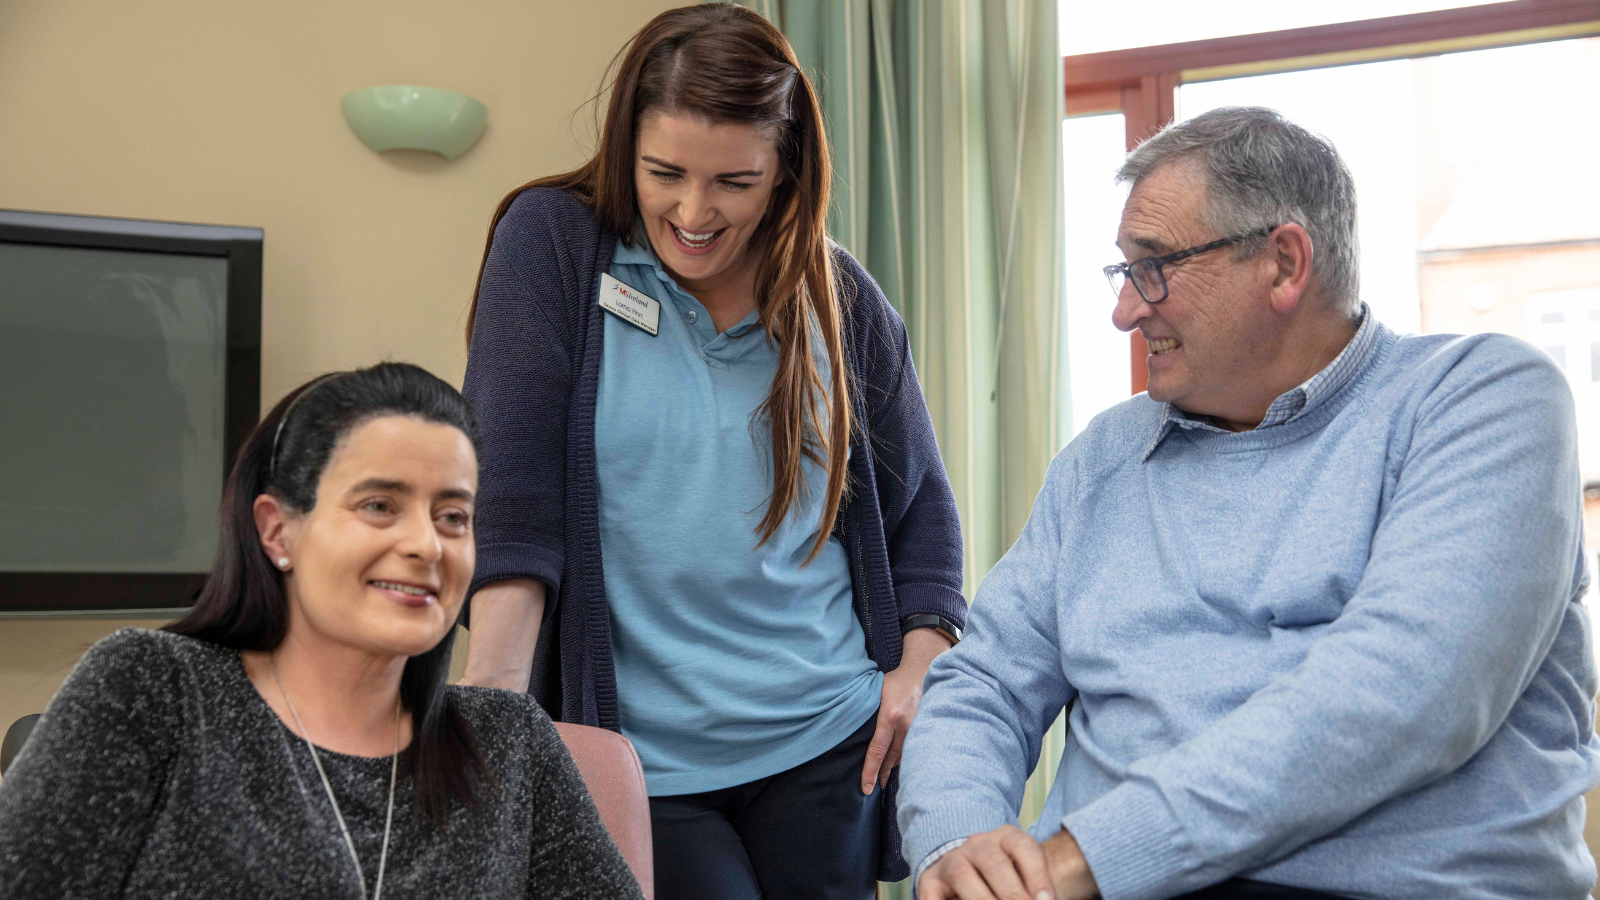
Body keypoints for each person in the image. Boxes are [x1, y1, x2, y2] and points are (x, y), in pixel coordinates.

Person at [898, 106, 1598, 900]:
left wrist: (1081, 861)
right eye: (1124, 274)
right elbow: (983, 684)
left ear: (1284, 263)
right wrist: (958, 847)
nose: (1125, 310)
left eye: (1153, 267)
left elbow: (1398, 698)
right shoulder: (1103, 459)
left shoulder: (1483, 400)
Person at [457, 5, 965, 899]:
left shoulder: (839, 297)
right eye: (665, 173)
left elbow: (920, 508)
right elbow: (514, 486)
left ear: (785, 171)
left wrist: (920, 670)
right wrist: (494, 702)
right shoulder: (554, 247)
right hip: (644, 759)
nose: (693, 213)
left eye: (734, 181)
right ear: (627, 151)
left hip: (829, 738)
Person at [0, 363, 643, 900]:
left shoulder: (511, 741)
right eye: (379, 506)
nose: (426, 544)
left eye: (453, 516)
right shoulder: (154, 687)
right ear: (278, 530)